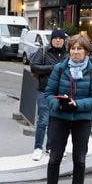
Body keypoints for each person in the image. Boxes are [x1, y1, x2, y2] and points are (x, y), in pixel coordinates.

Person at [42, 34, 92, 184]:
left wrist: (78, 105)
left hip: (81, 120)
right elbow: (48, 93)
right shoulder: (60, 69)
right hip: (60, 119)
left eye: (79, 49)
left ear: (86, 52)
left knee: (80, 159)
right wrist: (58, 105)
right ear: (69, 51)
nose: (76, 52)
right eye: (73, 49)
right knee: (55, 159)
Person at [29, 28, 67, 161]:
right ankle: (38, 148)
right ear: (51, 40)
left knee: (54, 120)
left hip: (60, 92)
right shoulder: (43, 51)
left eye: (60, 38)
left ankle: (50, 147)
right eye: (55, 38)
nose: (58, 40)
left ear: (64, 40)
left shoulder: (67, 54)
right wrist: (52, 68)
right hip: (44, 90)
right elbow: (34, 67)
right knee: (43, 119)